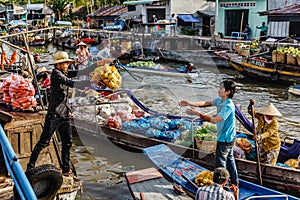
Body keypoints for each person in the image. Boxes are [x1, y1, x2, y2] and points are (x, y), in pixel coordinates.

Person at [27, 51, 79, 181]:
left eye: (67, 62)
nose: (67, 65)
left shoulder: (64, 72)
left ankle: (66, 169)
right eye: (65, 63)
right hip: (55, 114)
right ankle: (30, 166)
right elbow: (70, 82)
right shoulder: (56, 74)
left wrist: (93, 70)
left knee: (68, 142)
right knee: (44, 142)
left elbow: (74, 75)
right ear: (59, 64)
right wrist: (89, 82)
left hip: (65, 113)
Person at [179, 80, 239, 186]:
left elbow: (215, 120)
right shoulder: (220, 100)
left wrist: (198, 114)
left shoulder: (228, 106)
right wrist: (189, 103)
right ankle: (234, 182)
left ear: (228, 92)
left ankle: (221, 185)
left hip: (226, 138)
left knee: (220, 163)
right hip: (228, 136)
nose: (218, 89)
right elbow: (205, 103)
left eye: (221, 88)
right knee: (229, 159)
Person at [248, 99, 282, 165]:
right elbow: (251, 112)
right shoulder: (261, 116)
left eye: (273, 115)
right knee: (260, 161)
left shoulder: (274, 123)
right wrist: (251, 105)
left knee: (270, 163)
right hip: (262, 144)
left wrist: (260, 136)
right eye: (270, 115)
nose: (272, 116)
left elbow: (269, 133)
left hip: (272, 145)